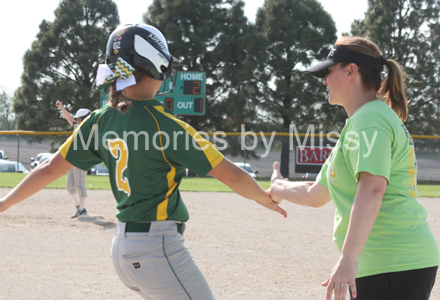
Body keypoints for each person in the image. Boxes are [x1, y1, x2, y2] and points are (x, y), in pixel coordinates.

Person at [0, 23, 286, 300]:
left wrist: (5, 202)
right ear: (156, 65)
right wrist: (264, 197)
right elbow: (233, 175)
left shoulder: (99, 119)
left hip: (123, 249)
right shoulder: (166, 125)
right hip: (156, 247)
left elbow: (48, 169)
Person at [269, 36, 439, 300]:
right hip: (386, 264)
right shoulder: (360, 122)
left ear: (351, 71)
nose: (324, 80)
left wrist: (348, 258)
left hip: (394, 263)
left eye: (329, 71)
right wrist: (278, 186)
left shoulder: (370, 121)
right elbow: (316, 194)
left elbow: (372, 189)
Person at [55, 99, 92, 218]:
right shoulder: (77, 127)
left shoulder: (91, 131)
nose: (77, 120)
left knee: (80, 185)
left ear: (86, 118)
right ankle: (79, 207)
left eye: (80, 119)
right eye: (77, 119)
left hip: (81, 162)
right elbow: (69, 119)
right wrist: (61, 107)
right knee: (70, 186)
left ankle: (82, 210)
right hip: (72, 161)